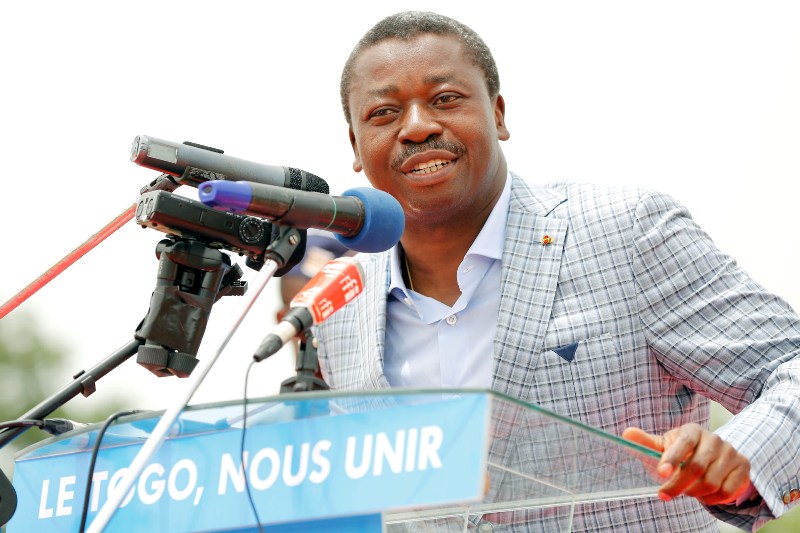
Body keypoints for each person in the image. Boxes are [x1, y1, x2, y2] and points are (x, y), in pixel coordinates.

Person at [313, 11, 800, 532]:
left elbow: (788, 364)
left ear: (498, 114)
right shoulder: (338, 303)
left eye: (445, 99)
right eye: (384, 112)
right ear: (356, 146)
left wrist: (738, 455)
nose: (417, 126)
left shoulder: (626, 232)